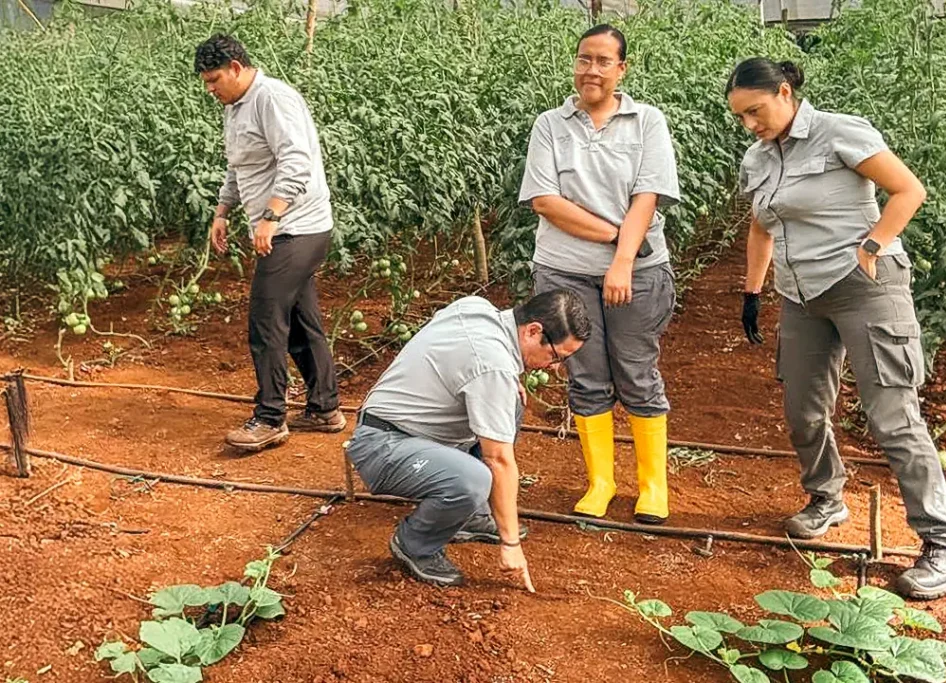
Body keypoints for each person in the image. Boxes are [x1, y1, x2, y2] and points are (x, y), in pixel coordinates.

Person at [727, 58, 946, 600]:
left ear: (785, 93)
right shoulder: (758, 157)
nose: (750, 124)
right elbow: (761, 225)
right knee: (803, 409)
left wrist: (873, 243)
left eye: (756, 111)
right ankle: (827, 498)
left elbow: (908, 190)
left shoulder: (840, 131)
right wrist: (752, 291)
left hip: (865, 285)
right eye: (741, 117)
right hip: (801, 296)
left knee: (892, 416)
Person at [519, 25, 680, 525]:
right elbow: (545, 201)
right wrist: (616, 240)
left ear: (621, 69)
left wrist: (625, 262)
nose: (592, 69)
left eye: (603, 61)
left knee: (636, 373)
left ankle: (653, 488)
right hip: (565, 273)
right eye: (584, 59)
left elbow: (647, 196)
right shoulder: (551, 124)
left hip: (637, 272)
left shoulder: (646, 122)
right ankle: (601, 483)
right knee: (585, 377)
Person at [346, 290, 590, 589]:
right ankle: (415, 544)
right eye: (555, 356)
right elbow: (498, 461)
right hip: (384, 445)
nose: (554, 367)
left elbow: (470, 361)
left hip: (408, 428)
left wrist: (507, 380)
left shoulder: (478, 309)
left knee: (508, 402)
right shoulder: (493, 365)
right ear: (533, 331)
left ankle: (470, 515)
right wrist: (510, 544)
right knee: (473, 479)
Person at [195, 34, 343, 452]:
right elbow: (238, 164)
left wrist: (271, 216)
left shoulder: (272, 99)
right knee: (300, 319)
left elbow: (297, 160)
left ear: (237, 68)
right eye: (206, 82)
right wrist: (223, 210)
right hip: (283, 227)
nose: (210, 89)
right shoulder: (236, 106)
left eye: (214, 79)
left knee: (266, 321)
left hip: (298, 227)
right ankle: (324, 408)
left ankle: (270, 417)